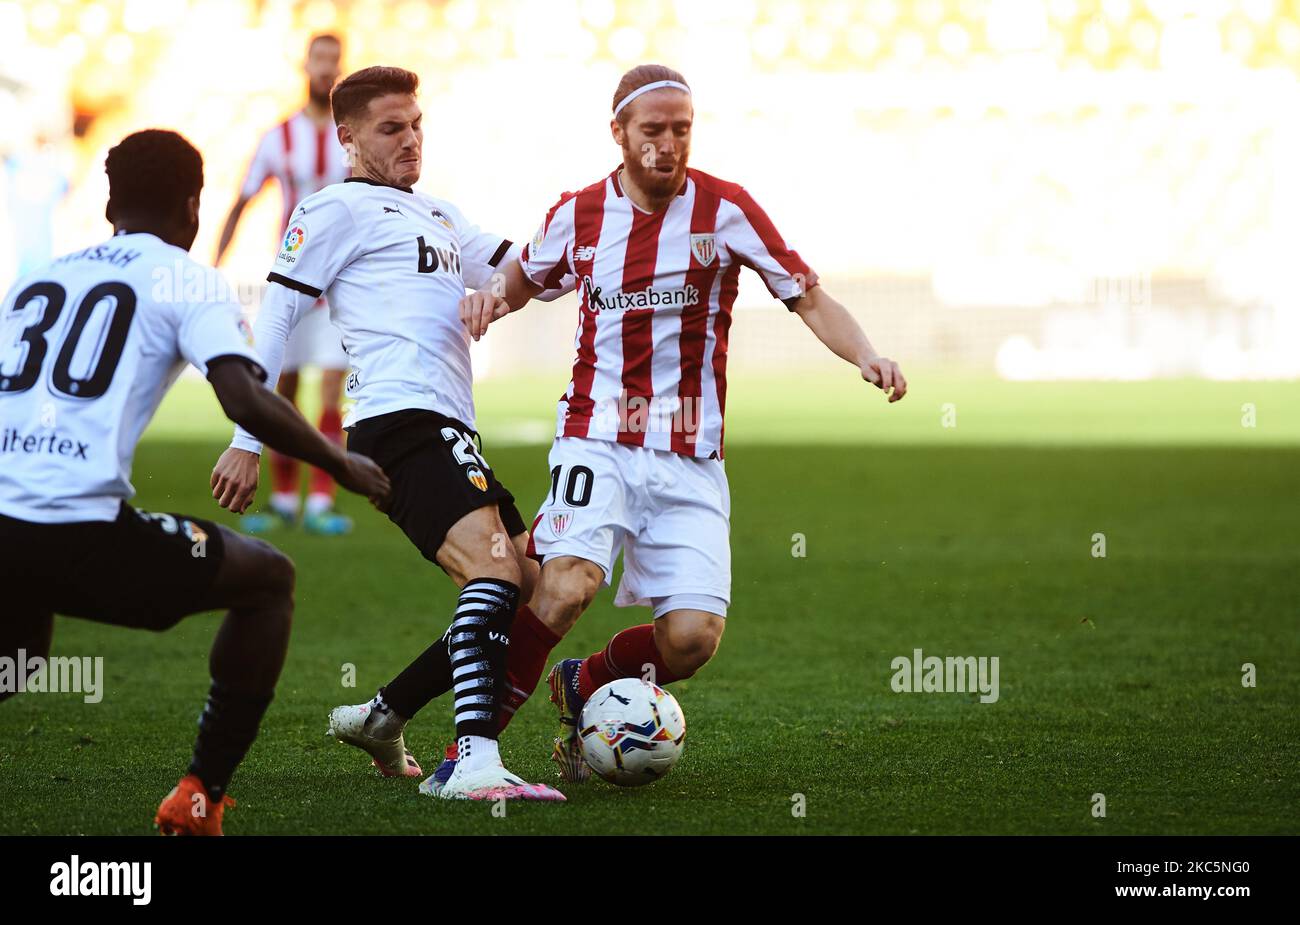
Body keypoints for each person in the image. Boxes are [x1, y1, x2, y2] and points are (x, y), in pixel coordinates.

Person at [457, 64, 909, 782]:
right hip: (596, 437)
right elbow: (521, 281)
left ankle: (583, 682)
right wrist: (489, 300)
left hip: (689, 454)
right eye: (653, 131)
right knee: (566, 584)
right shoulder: (579, 213)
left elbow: (808, 294)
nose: (668, 144)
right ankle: (471, 753)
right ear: (619, 134)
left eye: (682, 130)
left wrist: (866, 353)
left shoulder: (726, 210)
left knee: (693, 639)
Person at [0, 129, 389, 834]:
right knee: (268, 578)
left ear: (109, 202)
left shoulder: (41, 276)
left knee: (21, 648)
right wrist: (341, 463)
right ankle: (201, 795)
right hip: (77, 529)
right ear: (192, 206)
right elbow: (243, 397)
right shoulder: (185, 276)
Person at [209, 66, 568, 801]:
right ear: (348, 138)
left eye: (417, 125)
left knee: (528, 588)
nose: (411, 141)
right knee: (495, 574)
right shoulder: (334, 208)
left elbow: (530, 272)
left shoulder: (439, 212)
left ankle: (384, 713)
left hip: (448, 425)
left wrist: (574, 234)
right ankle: (472, 761)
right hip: (395, 421)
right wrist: (247, 439)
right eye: (391, 128)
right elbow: (276, 317)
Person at [214, 33, 353, 536]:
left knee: (333, 391)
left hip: (340, 285)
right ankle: (285, 497)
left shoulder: (350, 137)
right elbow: (243, 199)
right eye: (319, 61)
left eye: (333, 63)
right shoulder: (280, 137)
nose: (325, 70)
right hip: (292, 280)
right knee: (285, 390)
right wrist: (215, 265)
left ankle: (320, 499)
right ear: (306, 66)